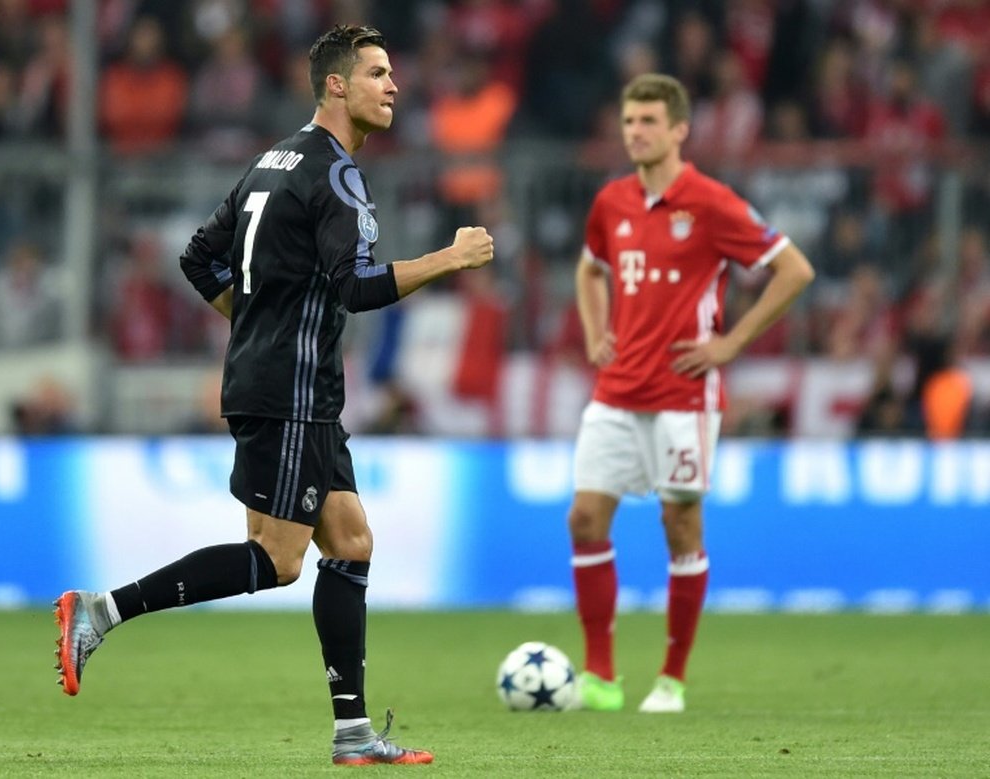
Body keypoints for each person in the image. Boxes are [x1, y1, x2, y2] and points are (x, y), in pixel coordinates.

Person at [53, 24, 493, 766]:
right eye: (378, 73)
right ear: (336, 85)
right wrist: (449, 257)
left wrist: (257, 327)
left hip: (292, 385)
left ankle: (353, 734)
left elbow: (200, 258)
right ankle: (102, 610)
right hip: (289, 391)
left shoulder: (272, 159)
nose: (393, 86)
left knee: (350, 542)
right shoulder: (336, 174)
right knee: (278, 559)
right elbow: (353, 287)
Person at [567, 73, 814, 714]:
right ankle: (600, 677)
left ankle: (671, 679)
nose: (636, 132)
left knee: (680, 525)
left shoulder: (711, 202)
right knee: (585, 519)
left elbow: (795, 269)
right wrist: (598, 331)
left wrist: (732, 344)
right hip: (617, 391)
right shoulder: (612, 202)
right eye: (628, 122)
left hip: (684, 396)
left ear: (679, 130)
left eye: (648, 121)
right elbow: (589, 267)